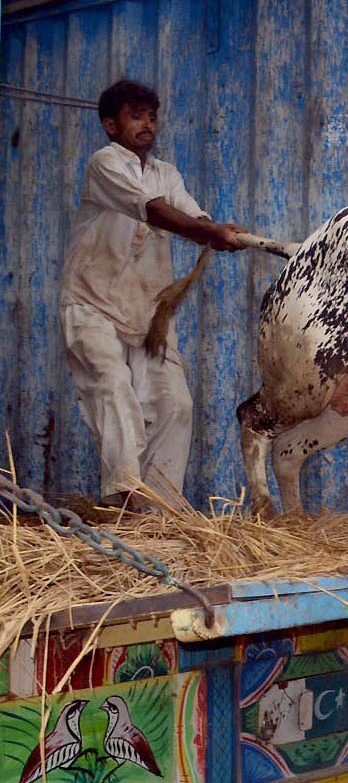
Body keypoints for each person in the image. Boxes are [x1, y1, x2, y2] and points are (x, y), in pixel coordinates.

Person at [60, 80, 246, 512]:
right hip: (91, 305)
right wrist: (207, 231)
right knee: (113, 388)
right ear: (110, 124)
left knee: (175, 404)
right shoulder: (104, 163)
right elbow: (157, 211)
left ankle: (160, 516)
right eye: (135, 116)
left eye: (151, 117)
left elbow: (190, 213)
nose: (147, 124)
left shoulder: (166, 172)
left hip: (146, 313)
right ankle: (126, 497)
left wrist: (219, 231)